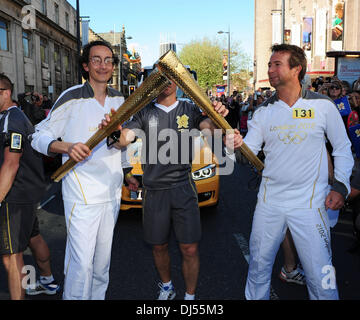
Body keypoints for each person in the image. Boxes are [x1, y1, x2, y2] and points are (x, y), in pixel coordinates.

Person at [225, 44, 353, 300]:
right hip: (269, 201)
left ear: (296, 69)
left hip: (310, 203)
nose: (270, 69)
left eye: (277, 64)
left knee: (320, 272)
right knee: (259, 266)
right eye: (269, 64)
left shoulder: (323, 105)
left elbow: (342, 147)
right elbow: (246, 154)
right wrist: (234, 146)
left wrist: (341, 186)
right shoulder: (263, 111)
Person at [100, 79, 228, 300]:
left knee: (189, 248)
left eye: (170, 78)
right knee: (158, 246)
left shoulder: (190, 109)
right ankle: (167, 286)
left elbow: (211, 131)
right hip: (154, 191)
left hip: (183, 188)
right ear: (152, 84)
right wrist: (112, 130)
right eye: (160, 79)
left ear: (178, 82)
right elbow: (120, 142)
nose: (166, 83)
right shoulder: (143, 113)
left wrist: (218, 118)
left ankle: (190, 297)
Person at [31, 40, 139, 300]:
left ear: (113, 66)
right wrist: (67, 147)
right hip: (82, 195)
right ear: (86, 65)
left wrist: (126, 173)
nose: (103, 65)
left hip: (111, 193)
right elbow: (37, 136)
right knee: (81, 265)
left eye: (108, 60)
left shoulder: (118, 99)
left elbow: (120, 142)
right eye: (96, 60)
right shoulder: (71, 97)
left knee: (102, 266)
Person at [0, 73, 53, 299]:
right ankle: (47, 282)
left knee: (11, 255)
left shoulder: (12, 120)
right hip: (27, 192)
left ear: (5, 93)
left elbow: (11, 164)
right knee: (33, 237)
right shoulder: (12, 116)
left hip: (14, 194)